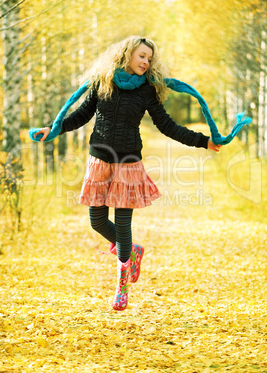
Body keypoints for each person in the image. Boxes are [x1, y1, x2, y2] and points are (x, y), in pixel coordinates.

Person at [34, 36, 221, 311]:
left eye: (149, 58)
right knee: (97, 221)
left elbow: (167, 125)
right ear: (127, 54)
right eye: (142, 56)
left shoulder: (147, 90)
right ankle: (133, 250)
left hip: (128, 163)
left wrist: (203, 141)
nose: (146, 62)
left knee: (122, 225)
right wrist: (54, 130)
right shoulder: (103, 81)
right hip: (99, 160)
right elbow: (81, 115)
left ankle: (121, 286)